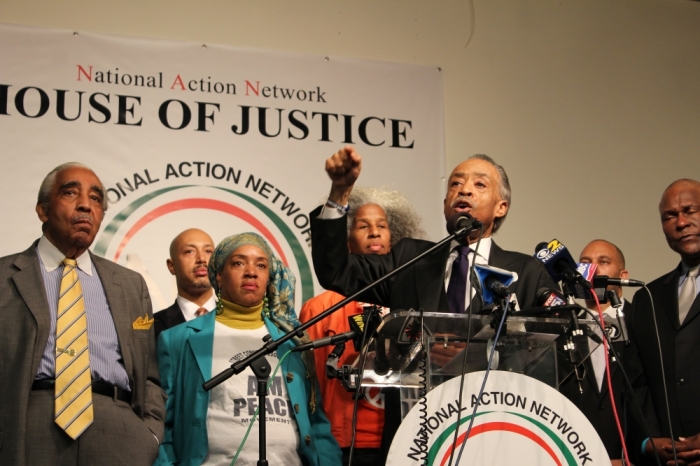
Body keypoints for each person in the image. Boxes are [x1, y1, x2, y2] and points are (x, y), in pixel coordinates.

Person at [310, 146, 558, 455]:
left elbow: (548, 352)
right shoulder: (410, 258)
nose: (463, 189)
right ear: (445, 205)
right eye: (455, 183)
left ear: (501, 207)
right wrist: (339, 194)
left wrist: (483, 356)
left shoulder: (526, 272)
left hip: (494, 435)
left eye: (479, 184)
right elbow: (337, 270)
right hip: (416, 436)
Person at [0, 162, 165, 465]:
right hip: (30, 421)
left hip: (118, 427)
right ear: (42, 210)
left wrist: (149, 434)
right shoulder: (4, 276)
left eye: (96, 198)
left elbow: (149, 375)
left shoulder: (129, 284)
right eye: (71, 192)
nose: (85, 206)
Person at [155, 232, 342, 466]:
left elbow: (316, 425)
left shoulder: (293, 342)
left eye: (261, 265)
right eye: (239, 263)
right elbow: (160, 424)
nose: (251, 271)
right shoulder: (177, 340)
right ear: (219, 276)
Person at [300, 186, 425, 466]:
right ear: (345, 242)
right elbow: (311, 386)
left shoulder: (413, 298)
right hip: (343, 444)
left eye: (382, 225)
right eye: (363, 226)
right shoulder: (320, 307)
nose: (374, 232)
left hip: (408, 437)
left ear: (393, 239)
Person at [559, 239, 657, 465]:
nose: (593, 268)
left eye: (603, 261)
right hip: (575, 455)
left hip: (635, 457)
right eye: (585, 262)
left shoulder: (644, 320)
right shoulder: (563, 327)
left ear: (623, 275)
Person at [630, 178, 700, 465]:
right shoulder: (647, 298)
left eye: (690, 210)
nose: (681, 222)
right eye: (669, 216)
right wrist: (649, 440)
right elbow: (637, 380)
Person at [154, 228, 216, 340]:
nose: (201, 259)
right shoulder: (152, 328)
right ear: (172, 266)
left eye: (208, 251)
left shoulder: (239, 320)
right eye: (190, 251)